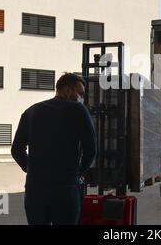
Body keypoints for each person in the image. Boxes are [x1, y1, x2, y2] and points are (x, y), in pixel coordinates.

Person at [11, 73, 97, 225]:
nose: (81, 98)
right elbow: (90, 149)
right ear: (68, 91)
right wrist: (78, 172)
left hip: (35, 189)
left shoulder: (31, 111)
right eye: (80, 93)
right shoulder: (78, 110)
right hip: (65, 188)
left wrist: (30, 168)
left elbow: (17, 149)